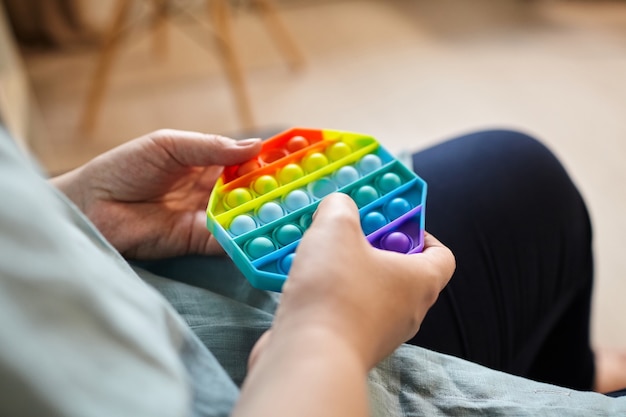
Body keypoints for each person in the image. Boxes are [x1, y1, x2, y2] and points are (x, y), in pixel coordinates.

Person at [0, 124, 625, 416]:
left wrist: (73, 210)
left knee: (518, 173)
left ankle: (571, 371)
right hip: (289, 381)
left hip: (132, 283)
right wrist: (330, 330)